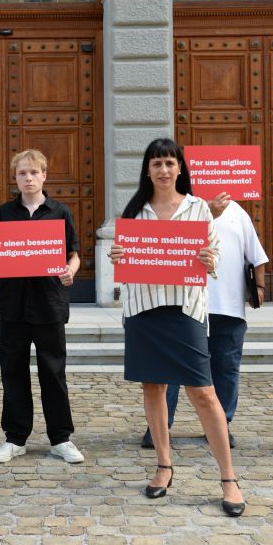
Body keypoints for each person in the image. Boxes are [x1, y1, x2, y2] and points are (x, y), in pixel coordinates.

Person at [110, 137, 245, 517]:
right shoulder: (136, 210)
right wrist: (117, 255)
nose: (164, 170)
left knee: (203, 393)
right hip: (143, 310)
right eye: (157, 164)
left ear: (180, 168)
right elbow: (125, 258)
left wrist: (207, 257)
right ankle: (164, 466)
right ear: (147, 170)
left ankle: (228, 479)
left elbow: (213, 254)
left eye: (170, 163)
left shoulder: (198, 207)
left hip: (185, 310)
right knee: (153, 387)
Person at [0, 149, 84, 464]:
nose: (28, 178)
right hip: (13, 305)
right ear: (15, 178)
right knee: (13, 372)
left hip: (49, 303)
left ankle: (61, 438)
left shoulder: (60, 212)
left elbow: (75, 253)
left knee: (53, 372)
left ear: (44, 176)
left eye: (33, 172)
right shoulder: (3, 213)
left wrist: (72, 270)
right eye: (22, 173)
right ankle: (15, 438)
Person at [142, 194, 269, 450]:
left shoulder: (238, 212)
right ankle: (159, 427)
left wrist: (260, 286)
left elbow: (257, 256)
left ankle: (221, 426)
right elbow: (161, 246)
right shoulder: (177, 208)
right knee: (171, 369)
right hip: (185, 304)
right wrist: (206, 212)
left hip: (228, 305)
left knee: (226, 368)